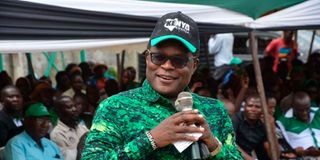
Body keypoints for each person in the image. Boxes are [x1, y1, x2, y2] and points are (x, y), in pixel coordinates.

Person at [82, 11, 242, 159]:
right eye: (158, 57)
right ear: (146, 58)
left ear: (194, 66)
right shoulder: (114, 107)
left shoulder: (214, 110)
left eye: (179, 60)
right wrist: (150, 140)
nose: (167, 66)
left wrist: (211, 142)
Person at [276, 91, 320, 158]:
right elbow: (281, 146)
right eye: (300, 110)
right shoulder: (283, 122)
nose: (304, 113)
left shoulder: (318, 113)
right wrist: (293, 151)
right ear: (293, 107)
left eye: (307, 109)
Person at [232, 91, 271, 160]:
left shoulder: (263, 125)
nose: (253, 109)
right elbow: (231, 143)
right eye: (250, 106)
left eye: (257, 107)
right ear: (244, 107)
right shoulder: (236, 118)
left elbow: (271, 152)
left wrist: (272, 127)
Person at [50, 96, 88, 160]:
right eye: (69, 107)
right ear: (59, 112)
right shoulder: (57, 134)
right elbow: (66, 158)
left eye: (74, 106)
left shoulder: (82, 127)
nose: (74, 109)